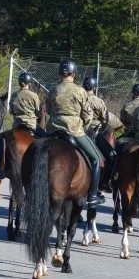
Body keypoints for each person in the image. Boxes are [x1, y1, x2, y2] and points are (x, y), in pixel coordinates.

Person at [45, 60, 101, 208]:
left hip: (52, 130)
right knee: (96, 159)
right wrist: (83, 126)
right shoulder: (80, 91)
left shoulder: (53, 90)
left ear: (60, 73)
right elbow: (88, 115)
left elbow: (49, 111)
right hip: (74, 130)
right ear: (74, 74)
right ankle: (92, 196)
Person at [83, 76, 122, 192]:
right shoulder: (98, 101)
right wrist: (103, 128)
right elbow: (105, 119)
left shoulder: (77, 97)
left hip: (78, 129)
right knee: (112, 156)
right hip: (94, 132)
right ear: (94, 88)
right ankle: (104, 183)